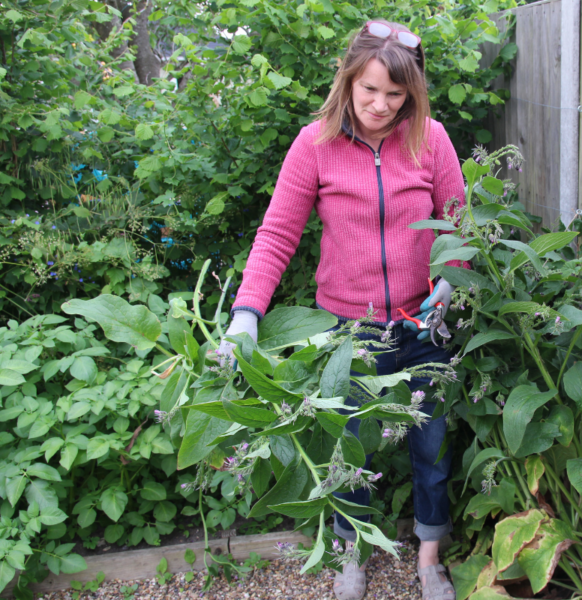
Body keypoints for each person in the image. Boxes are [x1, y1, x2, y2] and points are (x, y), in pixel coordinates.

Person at [219, 19, 464, 600]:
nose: (381, 105)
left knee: (430, 444)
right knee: (347, 445)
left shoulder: (431, 139)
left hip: (421, 325)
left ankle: (430, 556)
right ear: (348, 80)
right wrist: (246, 312)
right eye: (369, 90)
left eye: (396, 94)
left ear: (413, 92)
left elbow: (459, 227)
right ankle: (352, 552)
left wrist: (450, 281)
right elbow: (277, 234)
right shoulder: (315, 144)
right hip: (345, 330)